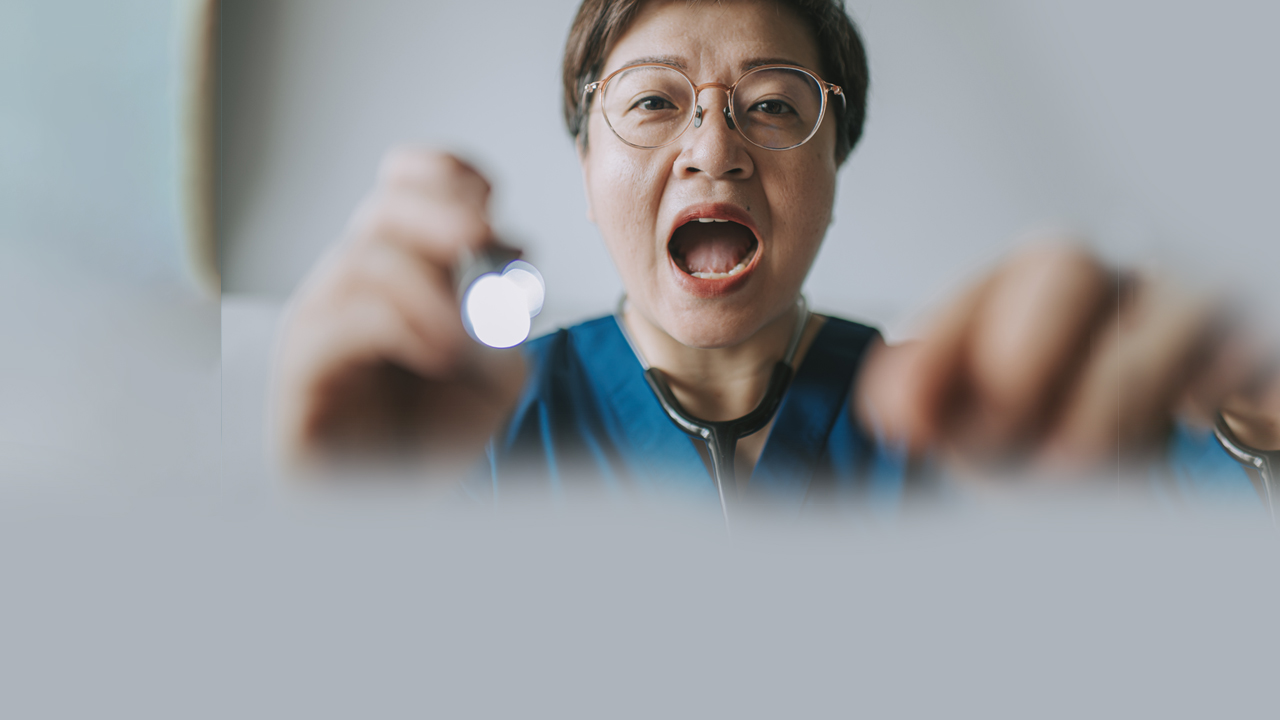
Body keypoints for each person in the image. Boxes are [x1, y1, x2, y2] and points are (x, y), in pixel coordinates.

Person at [271, 0, 1279, 512]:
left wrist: (1246, 415)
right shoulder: (466, 427)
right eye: (655, 103)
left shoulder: (969, 428)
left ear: (833, 168)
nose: (713, 149)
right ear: (584, 172)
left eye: (770, 108)